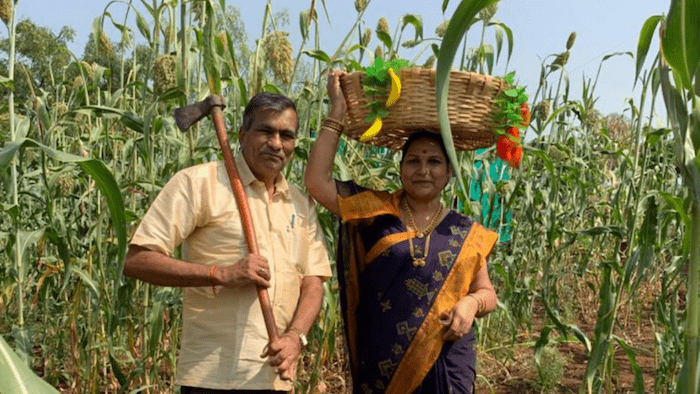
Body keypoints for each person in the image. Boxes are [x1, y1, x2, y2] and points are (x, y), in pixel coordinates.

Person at [304, 70, 499, 394]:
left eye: (434, 162)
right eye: (414, 161)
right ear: (401, 168)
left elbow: (487, 293)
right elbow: (316, 182)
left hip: (447, 363)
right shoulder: (373, 212)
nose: (424, 170)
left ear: (449, 172)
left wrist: (471, 305)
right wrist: (337, 111)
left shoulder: (467, 232)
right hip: (384, 364)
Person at [124, 92, 332, 394]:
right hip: (213, 379)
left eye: (286, 135)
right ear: (243, 134)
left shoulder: (301, 203)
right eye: (266, 131)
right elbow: (137, 260)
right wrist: (220, 274)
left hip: (276, 379)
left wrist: (295, 337)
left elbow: (313, 282)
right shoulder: (199, 183)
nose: (276, 143)